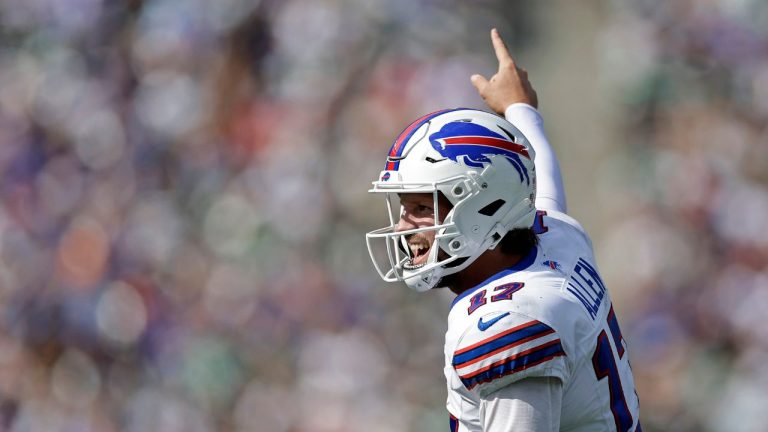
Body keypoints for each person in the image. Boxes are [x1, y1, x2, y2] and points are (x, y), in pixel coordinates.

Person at [365, 29, 641, 431]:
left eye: (423, 208)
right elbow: (537, 178)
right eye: (406, 208)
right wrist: (520, 109)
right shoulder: (555, 238)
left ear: (484, 207)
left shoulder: (509, 322)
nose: (404, 227)